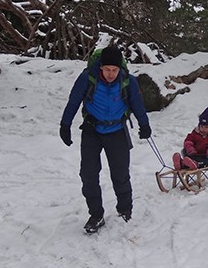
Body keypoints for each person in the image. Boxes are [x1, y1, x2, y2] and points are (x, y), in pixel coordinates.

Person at [59, 45, 151, 233]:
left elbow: (137, 104)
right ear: (100, 67)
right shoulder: (87, 78)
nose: (110, 74)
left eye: (114, 70)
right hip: (92, 130)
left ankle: (125, 209)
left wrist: (144, 125)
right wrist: (65, 125)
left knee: (120, 174)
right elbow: (74, 100)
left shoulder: (128, 81)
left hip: (117, 130)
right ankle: (96, 214)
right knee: (88, 174)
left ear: (120, 69)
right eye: (107, 69)